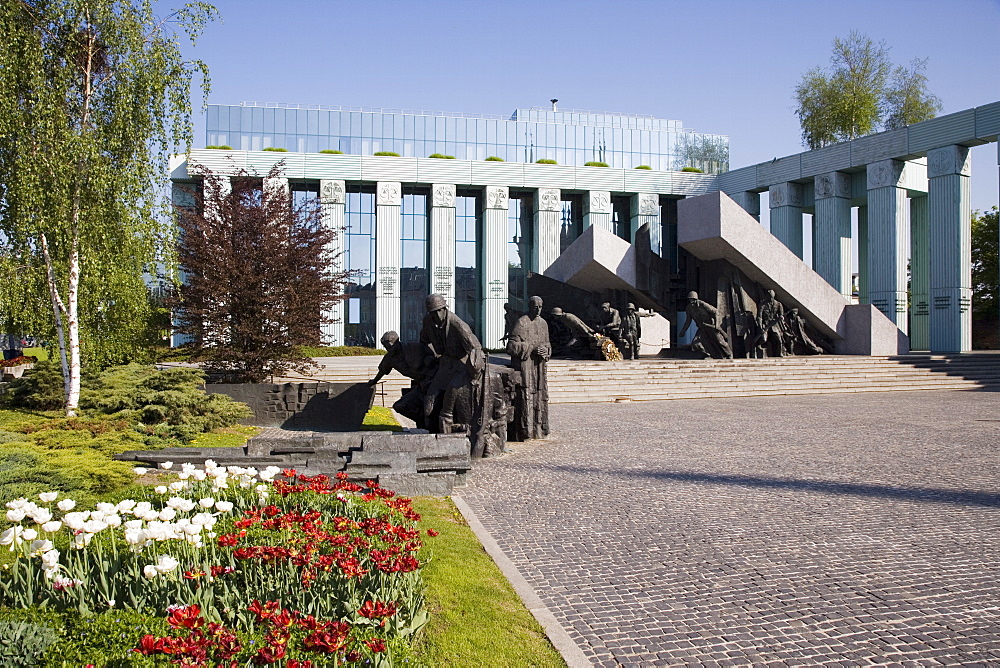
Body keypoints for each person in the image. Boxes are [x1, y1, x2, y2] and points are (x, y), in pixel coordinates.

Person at [420, 293, 484, 434]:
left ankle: (455, 430)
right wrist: (431, 355)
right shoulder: (428, 322)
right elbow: (423, 341)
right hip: (444, 365)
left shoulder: (458, 325)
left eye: (438, 311)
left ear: (444, 309)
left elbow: (475, 348)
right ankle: (430, 431)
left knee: (454, 397)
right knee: (428, 405)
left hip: (461, 366)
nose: (436, 315)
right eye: (432, 312)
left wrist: (477, 369)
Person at [506, 296, 550, 440]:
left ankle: (540, 430)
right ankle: (526, 432)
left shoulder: (543, 323)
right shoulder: (522, 322)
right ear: (529, 306)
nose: (538, 309)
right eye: (535, 306)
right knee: (526, 399)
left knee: (540, 397)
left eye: (540, 307)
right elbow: (511, 346)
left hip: (539, 368)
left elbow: (548, 344)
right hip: (526, 368)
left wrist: (546, 350)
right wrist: (531, 348)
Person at [367, 331, 431, 427]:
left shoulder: (413, 348)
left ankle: (429, 422)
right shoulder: (390, 358)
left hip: (434, 380)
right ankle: (423, 421)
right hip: (421, 385)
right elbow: (383, 370)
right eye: (386, 347)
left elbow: (434, 355)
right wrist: (374, 381)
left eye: (390, 347)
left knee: (429, 409)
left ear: (397, 343)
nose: (388, 350)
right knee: (400, 406)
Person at [678, 291, 733, 359]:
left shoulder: (702, 304)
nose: (691, 301)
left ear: (696, 299)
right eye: (690, 299)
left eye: (692, 299)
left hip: (710, 326)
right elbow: (688, 320)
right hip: (702, 328)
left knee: (719, 341)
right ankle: (708, 355)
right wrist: (683, 330)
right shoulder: (689, 308)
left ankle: (729, 354)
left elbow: (716, 311)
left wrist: (717, 325)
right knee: (696, 343)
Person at [755, 289, 787, 358]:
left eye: (771, 297)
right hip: (765, 324)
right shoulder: (762, 305)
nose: (770, 298)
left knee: (779, 340)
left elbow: (782, 315)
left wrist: (781, 317)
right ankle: (757, 346)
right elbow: (759, 317)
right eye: (769, 297)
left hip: (774, 325)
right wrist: (760, 327)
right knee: (763, 339)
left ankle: (779, 353)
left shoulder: (778, 304)